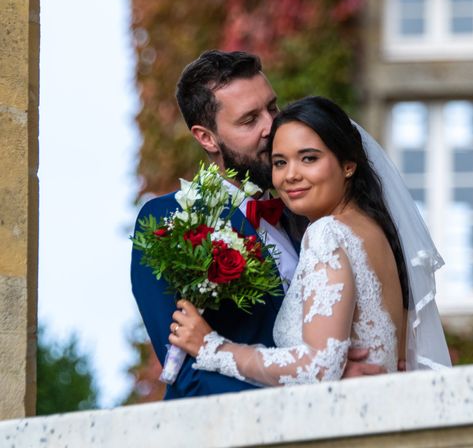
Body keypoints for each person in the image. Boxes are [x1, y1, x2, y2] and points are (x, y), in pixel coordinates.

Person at [131, 51, 383, 400]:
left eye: (272, 108)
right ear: (207, 138)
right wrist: (319, 387)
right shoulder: (166, 221)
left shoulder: (309, 213)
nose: (271, 127)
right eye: (250, 120)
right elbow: (188, 378)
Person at [167, 96, 451, 386]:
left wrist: (212, 348)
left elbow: (319, 366)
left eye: (309, 158)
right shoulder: (377, 233)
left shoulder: (327, 233)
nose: (290, 175)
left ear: (348, 164)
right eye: (280, 162)